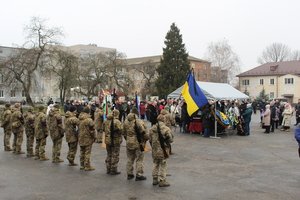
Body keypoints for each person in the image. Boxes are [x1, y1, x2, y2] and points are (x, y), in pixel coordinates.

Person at [123, 107, 149, 181]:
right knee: (139, 159)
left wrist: (127, 139)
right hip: (138, 142)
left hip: (129, 142)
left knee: (130, 158)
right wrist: (146, 138)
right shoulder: (138, 121)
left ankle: (129, 174)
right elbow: (143, 132)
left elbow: (123, 132)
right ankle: (139, 174)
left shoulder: (125, 121)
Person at [149, 114, 173, 187]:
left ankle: (155, 179)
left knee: (155, 163)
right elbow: (170, 140)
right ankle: (162, 180)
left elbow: (150, 140)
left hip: (155, 149)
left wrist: (153, 146)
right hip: (163, 150)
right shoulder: (166, 129)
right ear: (164, 120)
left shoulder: (152, 129)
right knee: (163, 164)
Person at [104, 109, 123, 175]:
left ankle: (108, 168)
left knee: (109, 154)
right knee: (115, 155)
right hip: (115, 140)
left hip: (107, 140)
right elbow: (121, 130)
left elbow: (103, 129)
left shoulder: (106, 121)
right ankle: (113, 169)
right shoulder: (117, 122)